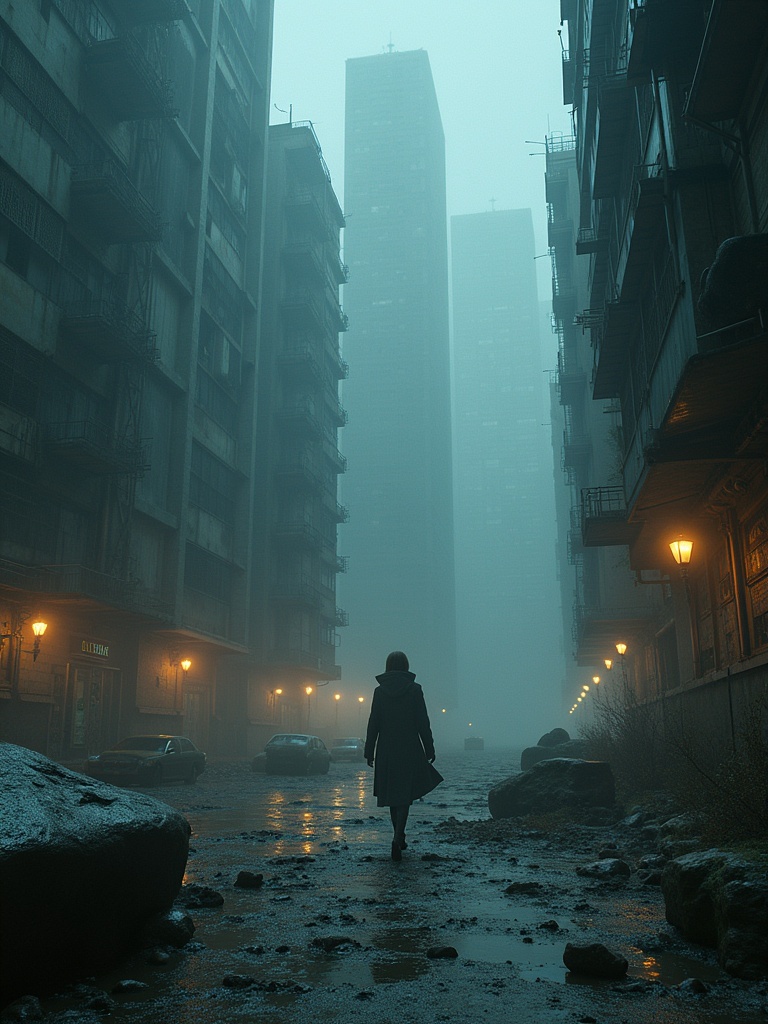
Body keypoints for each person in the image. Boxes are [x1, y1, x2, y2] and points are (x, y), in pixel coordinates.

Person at [364, 651, 444, 861]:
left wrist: (369, 750)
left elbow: (374, 722)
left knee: (392, 795)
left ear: (388, 666)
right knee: (404, 796)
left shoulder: (379, 692)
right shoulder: (415, 690)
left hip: (387, 749)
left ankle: (397, 835)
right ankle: (398, 837)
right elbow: (422, 722)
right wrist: (429, 747)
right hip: (409, 747)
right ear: (406, 666)